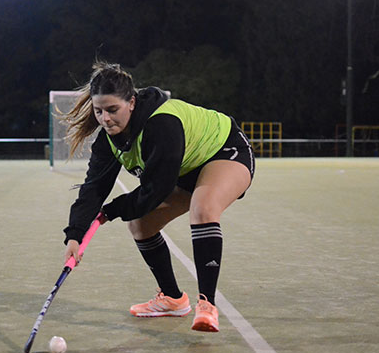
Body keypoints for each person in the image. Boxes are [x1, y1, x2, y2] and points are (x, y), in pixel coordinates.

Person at [61, 61, 254, 332]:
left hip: (224, 150)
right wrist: (75, 234)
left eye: (112, 110)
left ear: (131, 102)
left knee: (203, 207)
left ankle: (207, 304)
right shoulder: (107, 141)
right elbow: (93, 188)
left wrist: (112, 210)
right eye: (99, 111)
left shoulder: (161, 123)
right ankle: (172, 299)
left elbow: (157, 188)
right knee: (140, 224)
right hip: (185, 170)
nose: (105, 119)